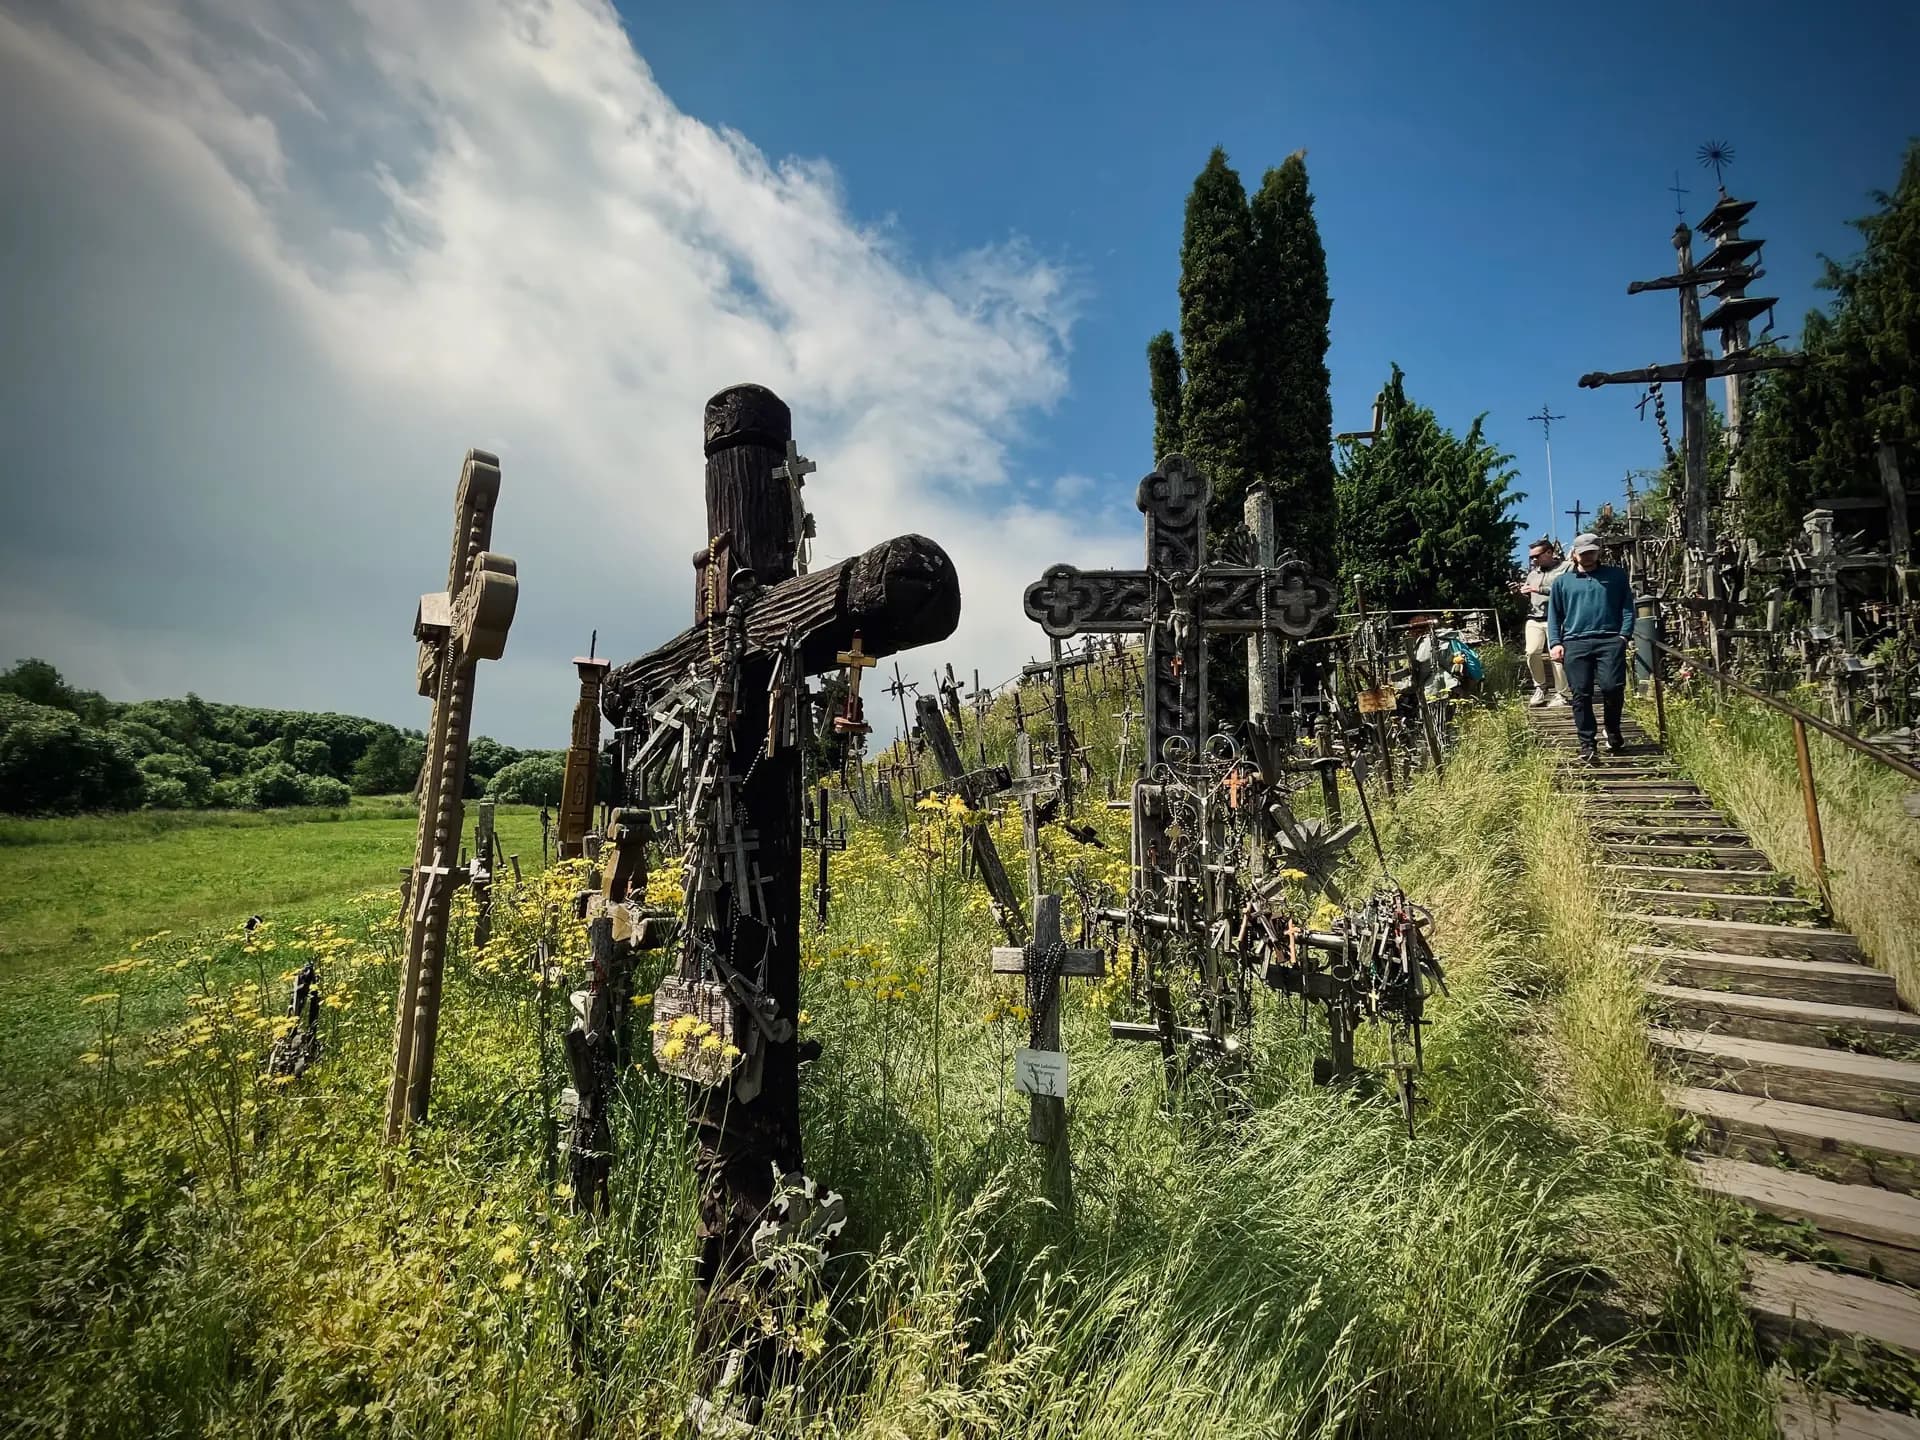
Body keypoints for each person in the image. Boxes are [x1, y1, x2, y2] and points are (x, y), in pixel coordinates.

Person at [1548, 532, 1636, 763]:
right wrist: (1555, 643)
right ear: (1575, 554)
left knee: (1612, 687)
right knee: (1581, 693)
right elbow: (1554, 616)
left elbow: (1627, 607)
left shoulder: (1615, 576)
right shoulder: (1562, 582)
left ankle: (1613, 730)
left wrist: (1624, 636)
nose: (1588, 556)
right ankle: (1587, 743)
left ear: (1598, 552)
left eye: (1592, 552)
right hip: (1575, 642)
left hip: (1610, 640)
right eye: (1583, 553)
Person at [1518, 537, 1569, 706]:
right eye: (1531, 557)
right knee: (1532, 652)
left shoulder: (1566, 568)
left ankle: (1562, 693)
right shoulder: (1533, 573)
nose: (1533, 560)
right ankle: (1540, 687)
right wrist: (1520, 594)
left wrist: (1537, 589)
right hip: (1534, 618)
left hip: (1557, 618)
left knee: (1557, 656)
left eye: (1536, 556)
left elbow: (1565, 590)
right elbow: (1529, 596)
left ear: (1549, 552)